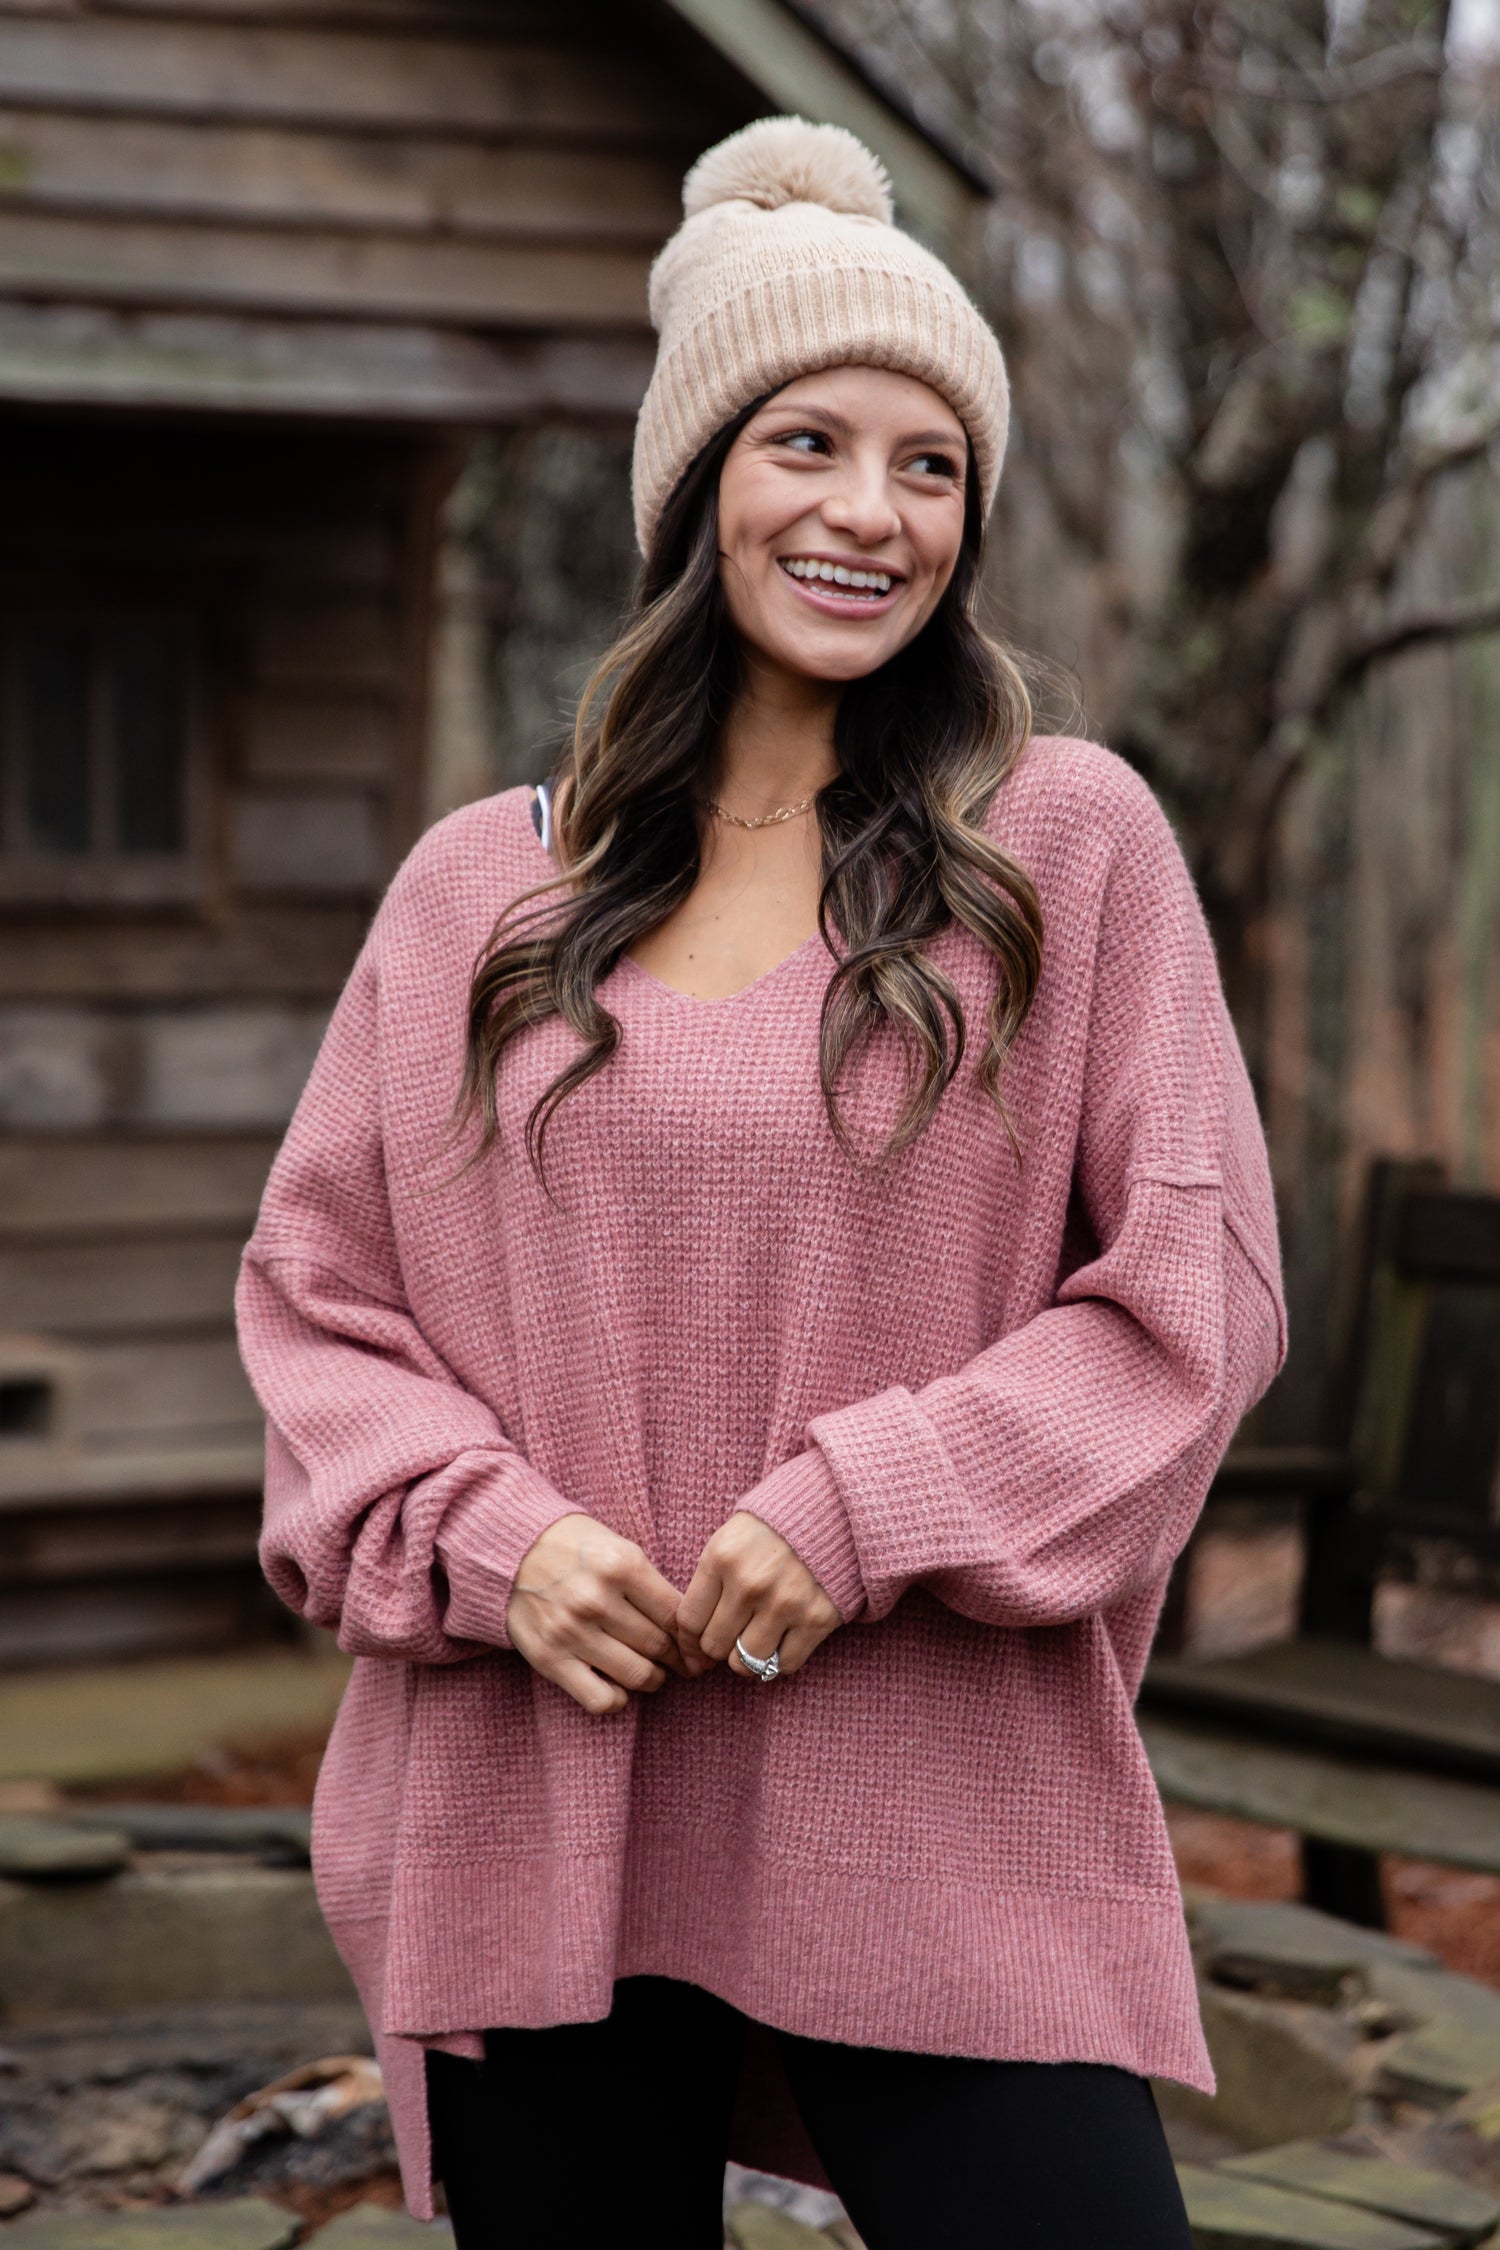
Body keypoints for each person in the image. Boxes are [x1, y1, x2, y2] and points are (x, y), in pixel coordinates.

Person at [236, 115, 1285, 2250]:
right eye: (808, 440)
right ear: (698, 479)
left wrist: (861, 1502)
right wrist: (495, 1542)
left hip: (934, 1808)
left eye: (933, 465)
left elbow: (1200, 1290)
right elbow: (316, 1299)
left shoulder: (1061, 849)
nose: (871, 513)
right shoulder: (481, 891)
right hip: (540, 1800)